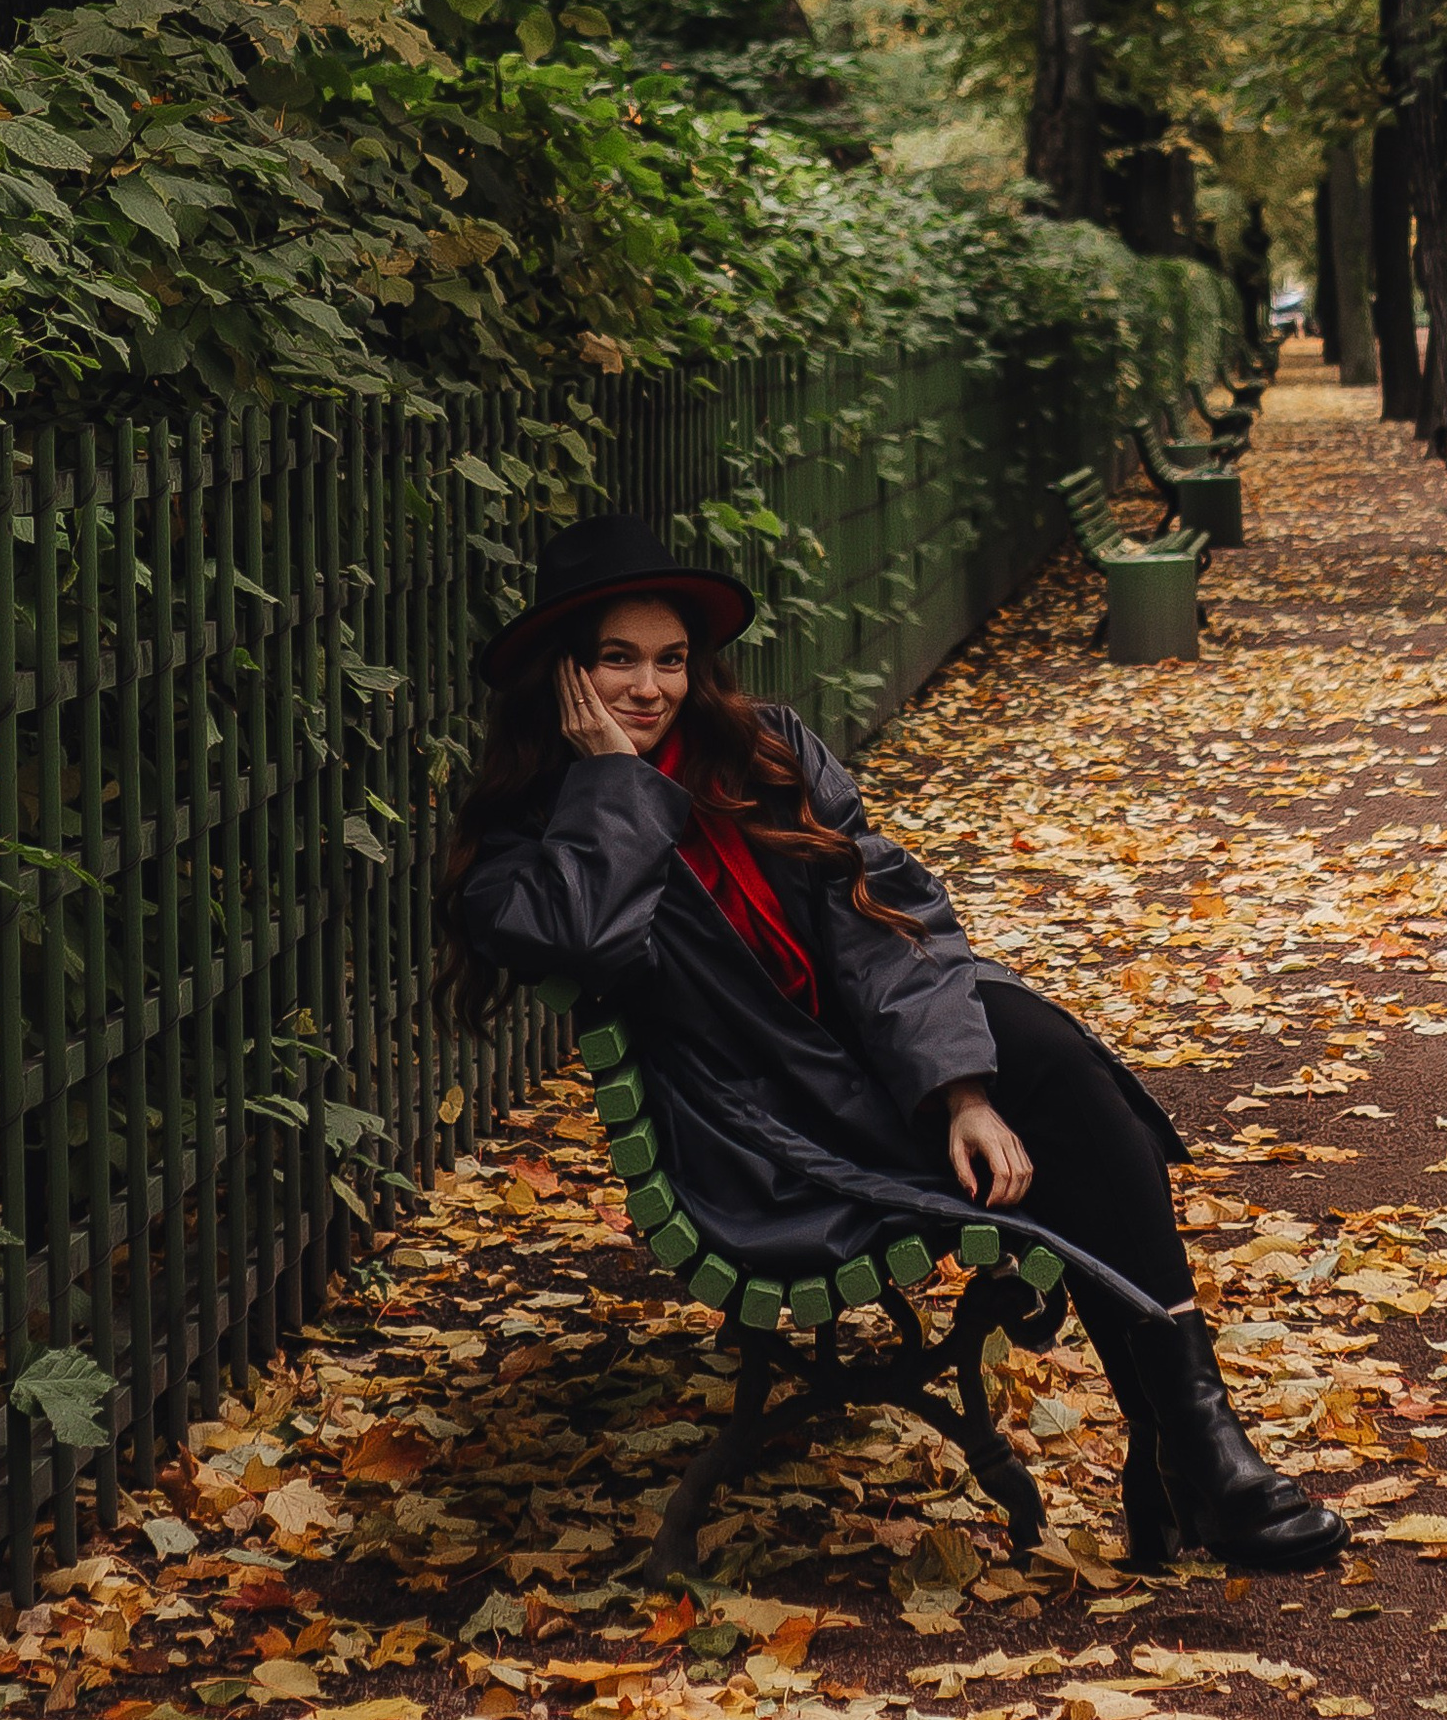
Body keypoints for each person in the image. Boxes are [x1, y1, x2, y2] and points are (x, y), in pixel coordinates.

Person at [440, 512, 1343, 1575]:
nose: (649, 688)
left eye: (671, 659)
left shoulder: (763, 752)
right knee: (1082, 1130)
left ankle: (1194, 1444)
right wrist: (611, 783)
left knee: (1056, 1069)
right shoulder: (531, 836)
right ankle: (1191, 1455)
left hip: (882, 1051)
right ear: (564, 676)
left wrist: (960, 1091)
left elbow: (884, 920)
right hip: (777, 1116)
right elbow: (584, 937)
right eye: (617, 660)